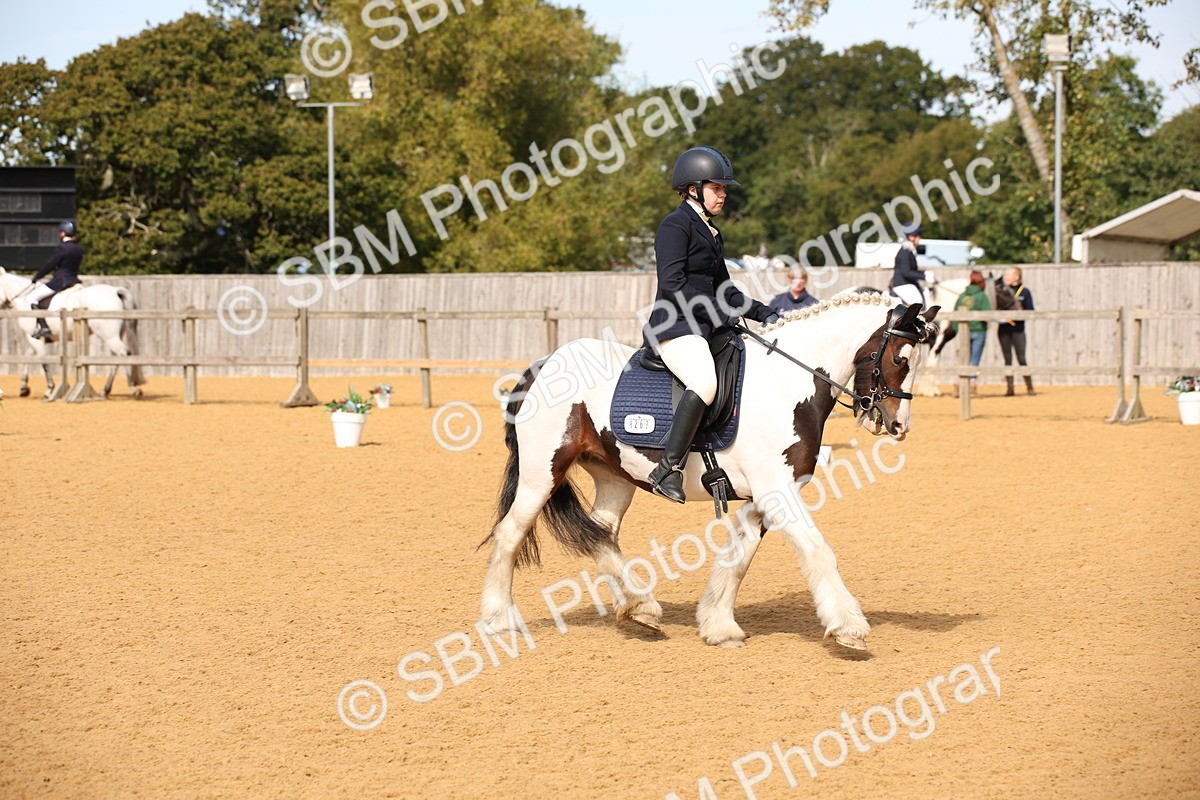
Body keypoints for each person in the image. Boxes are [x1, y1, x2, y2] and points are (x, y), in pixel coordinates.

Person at [642, 146, 778, 503]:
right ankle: (667, 469)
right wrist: (719, 314)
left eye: (724, 189)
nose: (724, 195)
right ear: (693, 189)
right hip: (675, 327)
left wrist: (763, 312)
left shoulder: (712, 232)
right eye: (717, 188)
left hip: (705, 327)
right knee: (704, 382)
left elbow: (725, 289)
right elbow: (673, 284)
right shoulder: (675, 226)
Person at [27, 220, 83, 339]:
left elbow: (50, 264)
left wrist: (37, 276)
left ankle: (44, 326)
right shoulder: (79, 249)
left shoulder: (62, 248)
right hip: (74, 280)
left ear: (63, 234)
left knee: (31, 297)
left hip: (60, 281)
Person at [997, 266, 1035, 396]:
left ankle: (1029, 387)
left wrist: (1017, 315)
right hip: (1004, 328)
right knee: (1007, 359)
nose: (1006, 277)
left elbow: (1030, 310)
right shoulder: (1001, 291)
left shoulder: (1024, 292)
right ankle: (1010, 388)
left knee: (1022, 358)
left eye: (1009, 275)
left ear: (1017, 276)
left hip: (1018, 329)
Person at [953, 270, 991, 395]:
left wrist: (957, 329)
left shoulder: (963, 296)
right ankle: (972, 385)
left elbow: (955, 313)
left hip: (964, 332)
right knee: (974, 359)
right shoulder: (981, 296)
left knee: (963, 359)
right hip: (979, 331)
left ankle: (957, 384)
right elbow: (987, 313)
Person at [891, 222, 932, 307]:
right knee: (917, 303)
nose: (920, 239)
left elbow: (912, 270)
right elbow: (906, 272)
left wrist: (924, 273)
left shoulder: (910, 250)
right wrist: (924, 276)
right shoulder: (905, 251)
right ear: (911, 237)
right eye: (918, 236)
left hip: (907, 283)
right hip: (902, 284)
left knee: (925, 291)